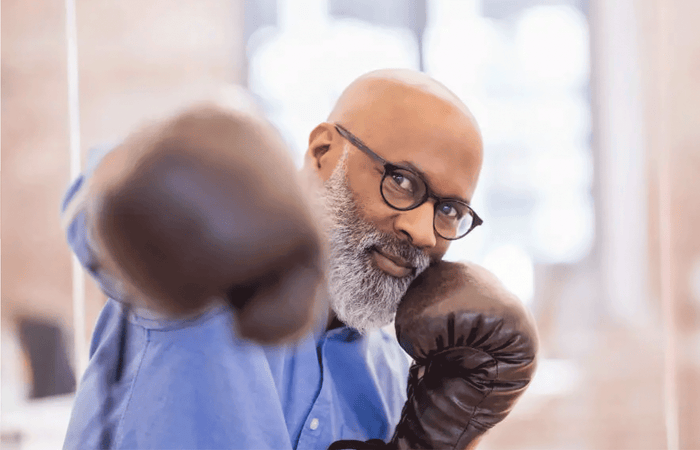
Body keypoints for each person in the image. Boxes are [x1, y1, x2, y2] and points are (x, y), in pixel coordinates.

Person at [62, 69, 497, 449]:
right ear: (323, 153)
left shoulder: (397, 380)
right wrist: (188, 181)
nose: (421, 231)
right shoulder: (202, 277)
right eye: (402, 181)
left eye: (449, 211)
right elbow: (94, 212)